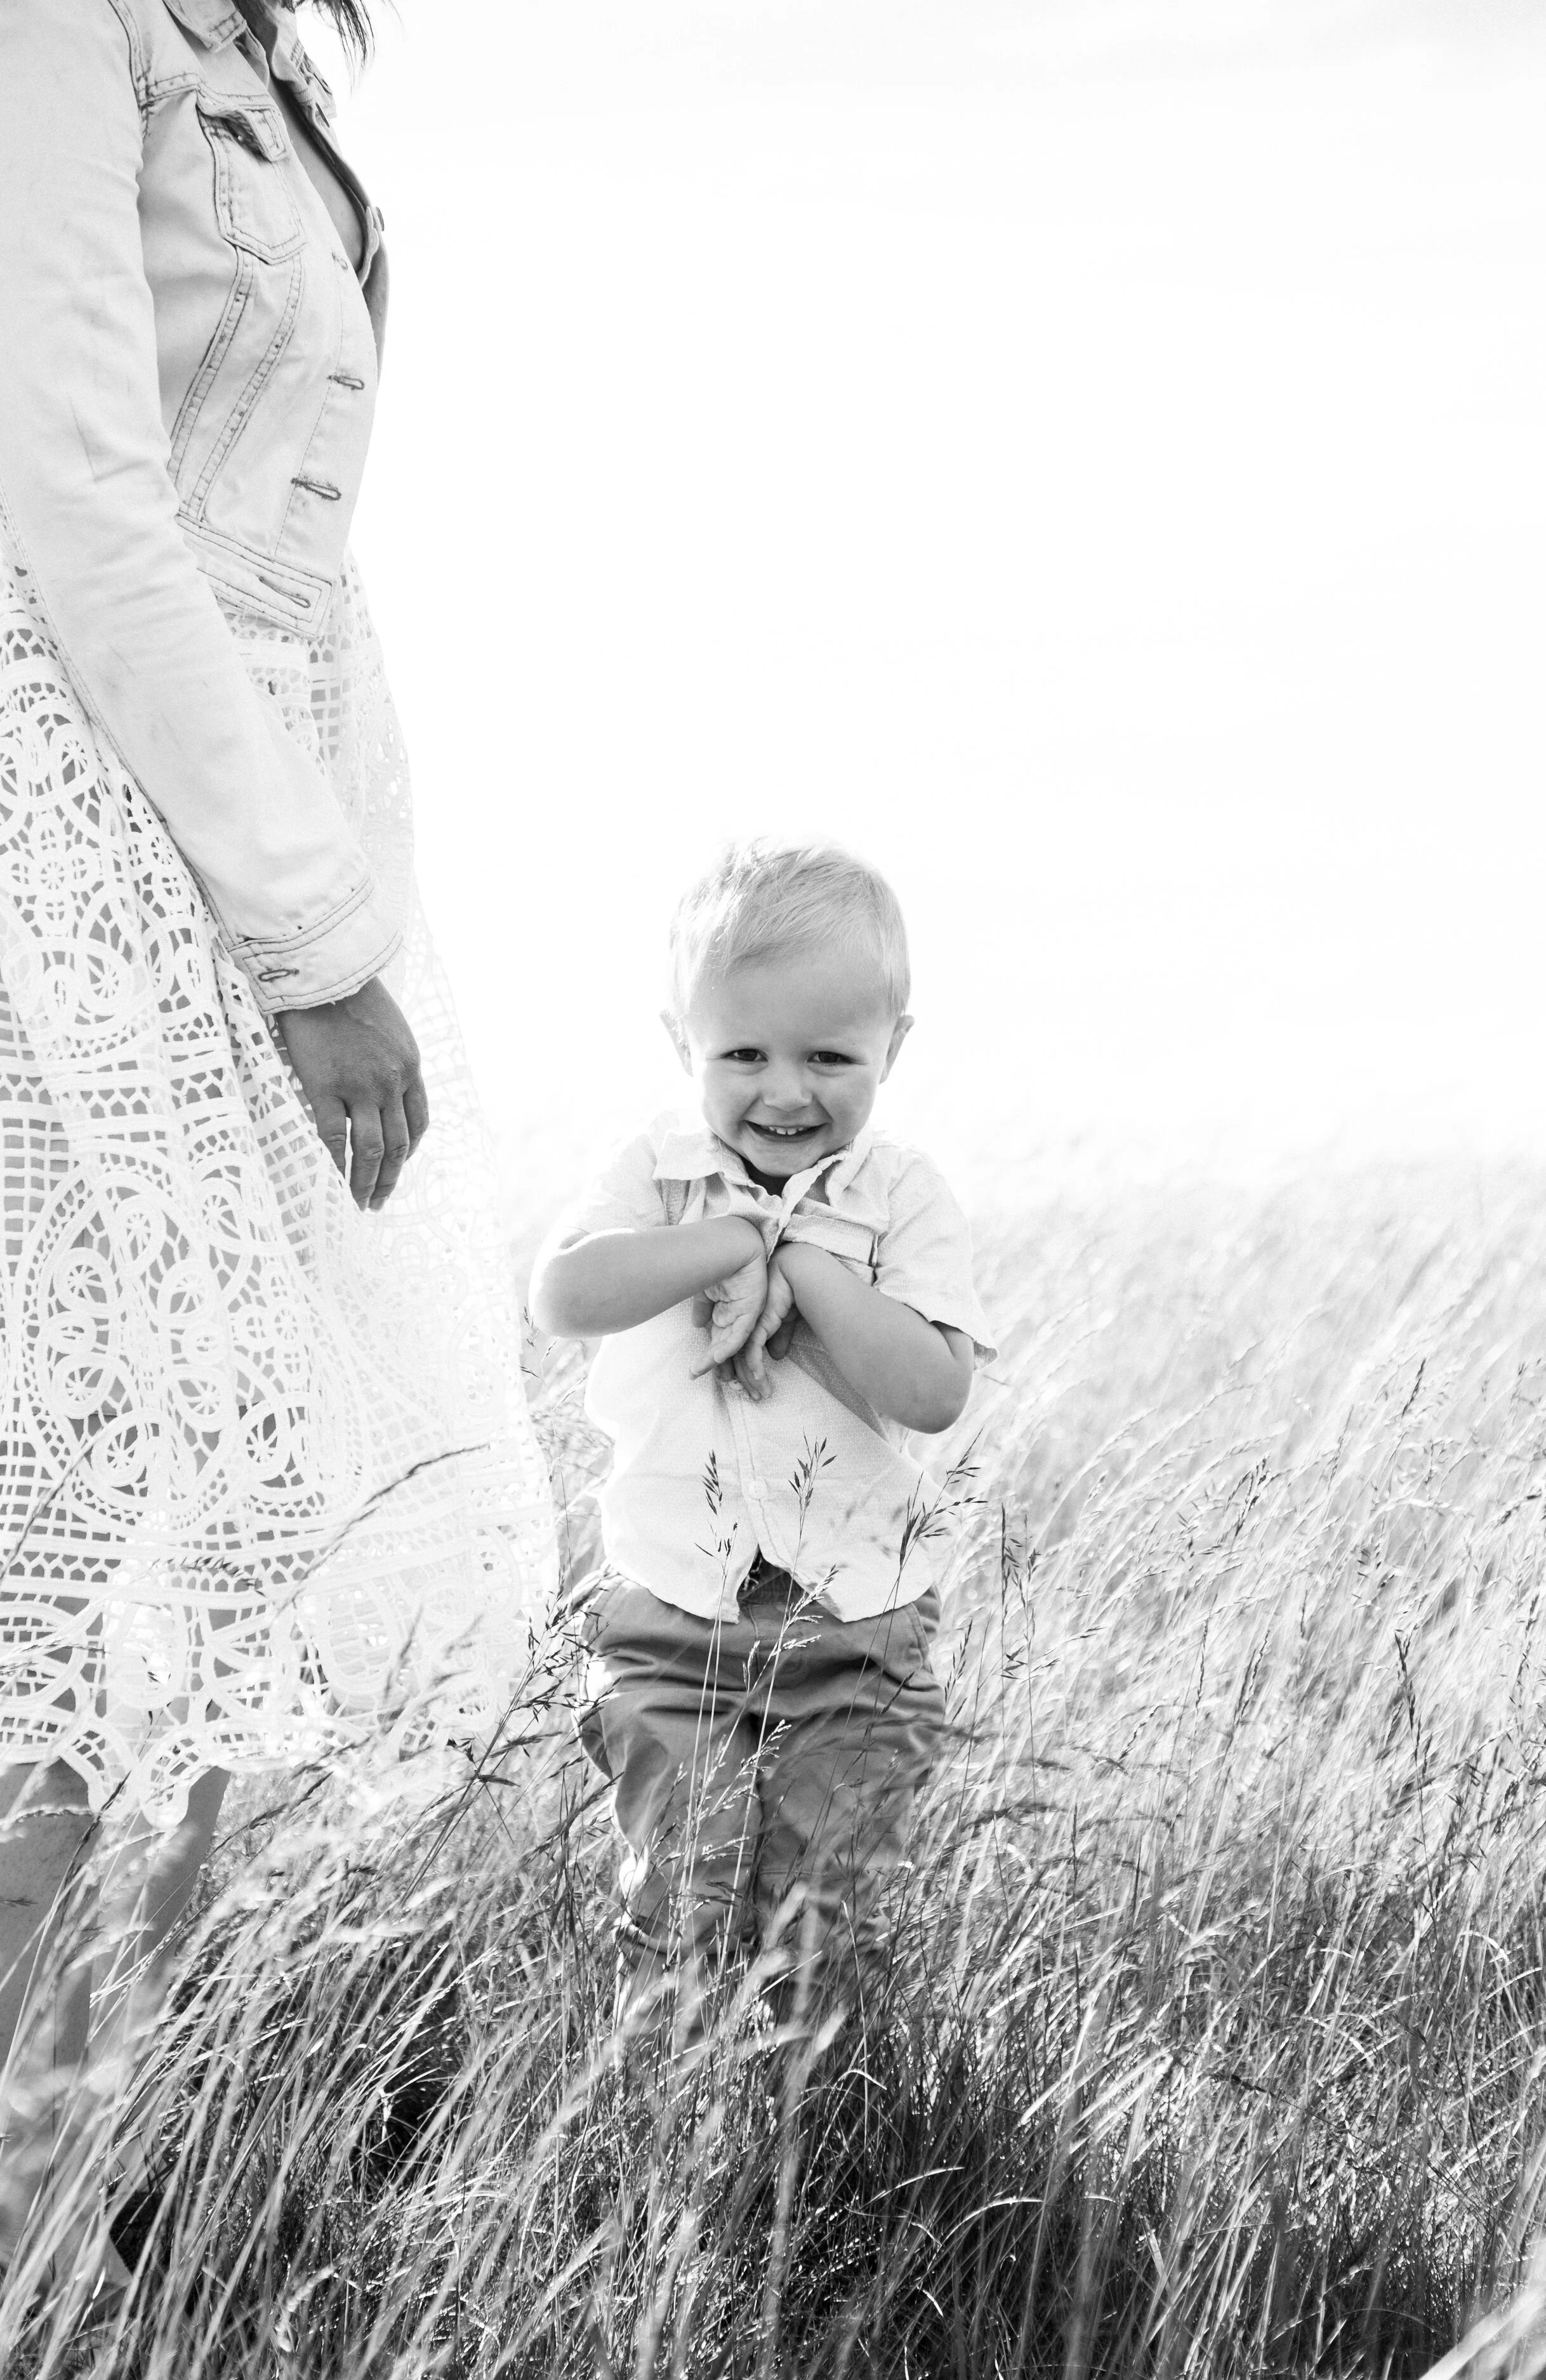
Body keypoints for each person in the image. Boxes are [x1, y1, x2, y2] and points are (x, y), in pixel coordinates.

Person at [0, 0, 551, 2287]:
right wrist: (311, 941)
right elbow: (80, 501)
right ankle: (58, 2197)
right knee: (92, 1533)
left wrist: (350, 899)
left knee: (247, 1515)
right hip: (104, 843)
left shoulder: (254, 48)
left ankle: (124, 2159)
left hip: (265, 826)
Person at [530, 840, 993, 2043]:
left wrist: (804, 1267)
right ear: (681, 1041)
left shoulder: (902, 1196)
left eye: (829, 1056)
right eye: (743, 1053)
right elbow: (563, 1297)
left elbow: (935, 1387)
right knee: (677, 1896)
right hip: (673, 1615)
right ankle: (669, 2133)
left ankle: (802, 2140)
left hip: (857, 1626)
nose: (784, 1092)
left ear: (896, 1044)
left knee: (820, 1917)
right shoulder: (661, 1174)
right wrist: (731, 1244)